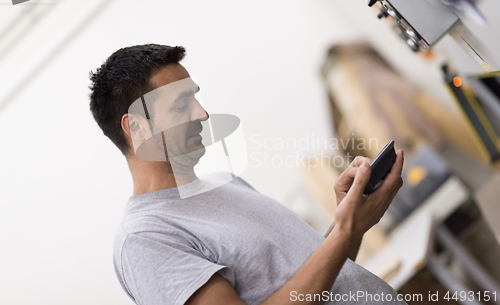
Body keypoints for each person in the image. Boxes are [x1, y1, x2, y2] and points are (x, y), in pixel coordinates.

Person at [89, 44, 406, 305]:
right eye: (182, 104)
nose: (202, 114)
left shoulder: (224, 183)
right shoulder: (144, 239)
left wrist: (347, 221)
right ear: (137, 127)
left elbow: (319, 278)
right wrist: (344, 232)